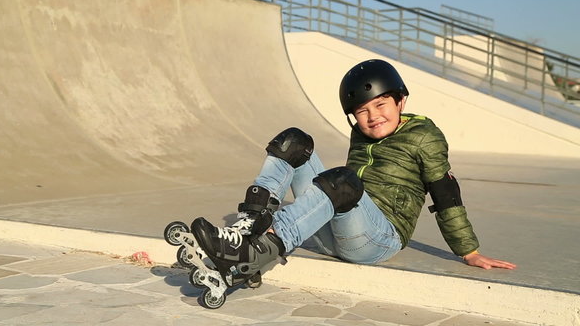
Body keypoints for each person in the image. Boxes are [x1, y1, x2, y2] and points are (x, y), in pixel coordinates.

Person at [190, 59, 516, 288]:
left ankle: (258, 252)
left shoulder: (424, 137)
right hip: (338, 228)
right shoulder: (362, 133)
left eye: (381, 105)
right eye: (362, 112)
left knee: (342, 181)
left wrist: (468, 251)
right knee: (295, 141)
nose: (373, 117)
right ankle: (251, 225)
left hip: (378, 239)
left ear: (400, 100)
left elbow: (445, 193)